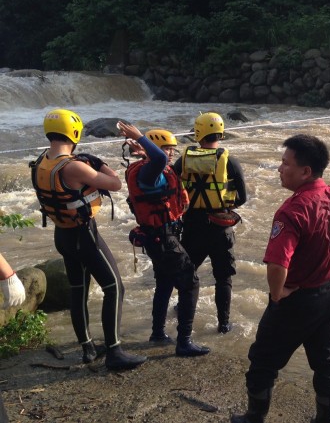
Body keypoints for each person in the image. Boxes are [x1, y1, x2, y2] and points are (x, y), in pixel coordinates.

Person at [231, 134, 330, 423]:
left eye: (285, 163)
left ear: (305, 171)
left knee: (262, 360)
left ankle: (254, 417)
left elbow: (277, 263)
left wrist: (277, 294)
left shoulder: (292, 210)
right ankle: (324, 420)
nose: (279, 168)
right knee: (327, 360)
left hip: (298, 299)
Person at [30, 109, 146, 370]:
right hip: (85, 235)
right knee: (114, 287)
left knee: (78, 291)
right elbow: (114, 184)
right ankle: (115, 351)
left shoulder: (40, 161)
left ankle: (87, 348)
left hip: (63, 235)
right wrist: (97, 161)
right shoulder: (73, 166)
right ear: (74, 133)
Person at [120, 122, 210, 357]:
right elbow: (158, 159)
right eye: (167, 148)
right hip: (163, 238)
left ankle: (158, 333)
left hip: (159, 237)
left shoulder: (148, 168)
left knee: (165, 283)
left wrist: (142, 149)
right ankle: (185, 341)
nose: (171, 153)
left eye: (172, 149)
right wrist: (140, 138)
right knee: (190, 282)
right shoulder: (150, 170)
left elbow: (158, 160)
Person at [173, 112, 247, 334]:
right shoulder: (229, 160)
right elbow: (242, 197)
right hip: (220, 226)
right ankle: (223, 324)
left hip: (192, 226)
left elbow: (172, 189)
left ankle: (181, 311)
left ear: (198, 132)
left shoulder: (183, 159)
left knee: (188, 272)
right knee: (223, 277)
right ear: (220, 133)